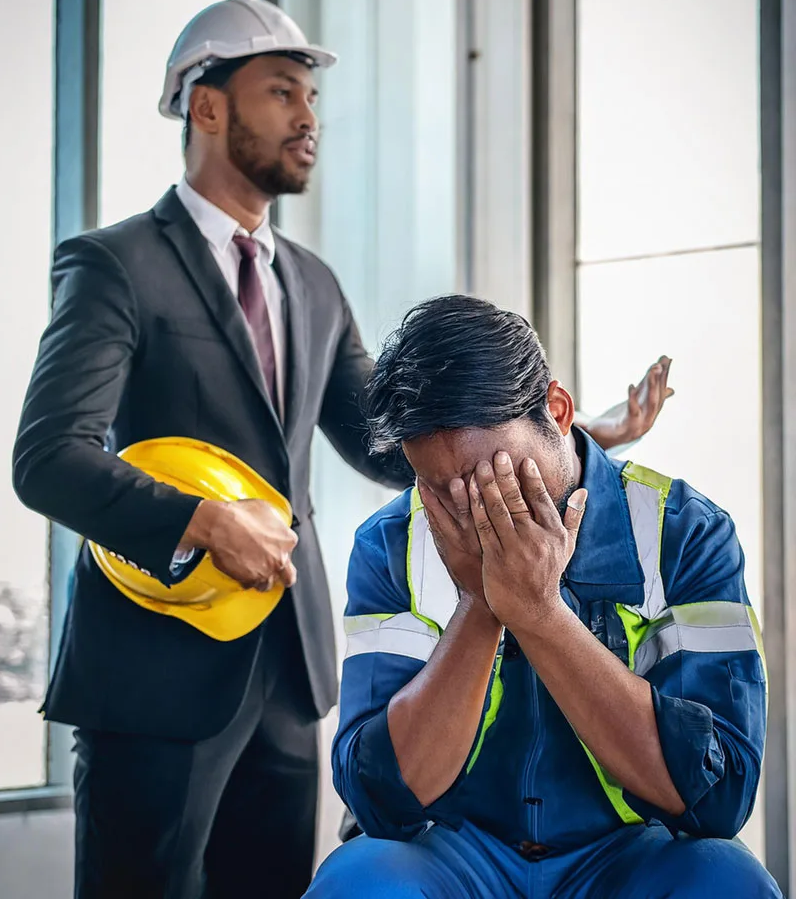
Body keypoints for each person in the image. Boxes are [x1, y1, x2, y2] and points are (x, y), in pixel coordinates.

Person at [12, 0, 673, 898]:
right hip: (152, 675)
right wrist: (203, 520)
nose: (307, 118)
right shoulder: (115, 264)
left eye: (312, 100)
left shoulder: (311, 284)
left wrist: (565, 434)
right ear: (206, 106)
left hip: (288, 675)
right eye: (282, 92)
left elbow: (385, 443)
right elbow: (48, 456)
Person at [306, 295, 780, 898]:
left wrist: (539, 615)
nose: (475, 512)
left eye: (494, 475)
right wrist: (479, 608)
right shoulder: (390, 542)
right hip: (452, 848)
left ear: (557, 412)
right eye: (440, 488)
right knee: (357, 883)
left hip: (630, 853)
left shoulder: (685, 532)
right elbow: (379, 803)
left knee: (728, 882)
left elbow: (719, 797)